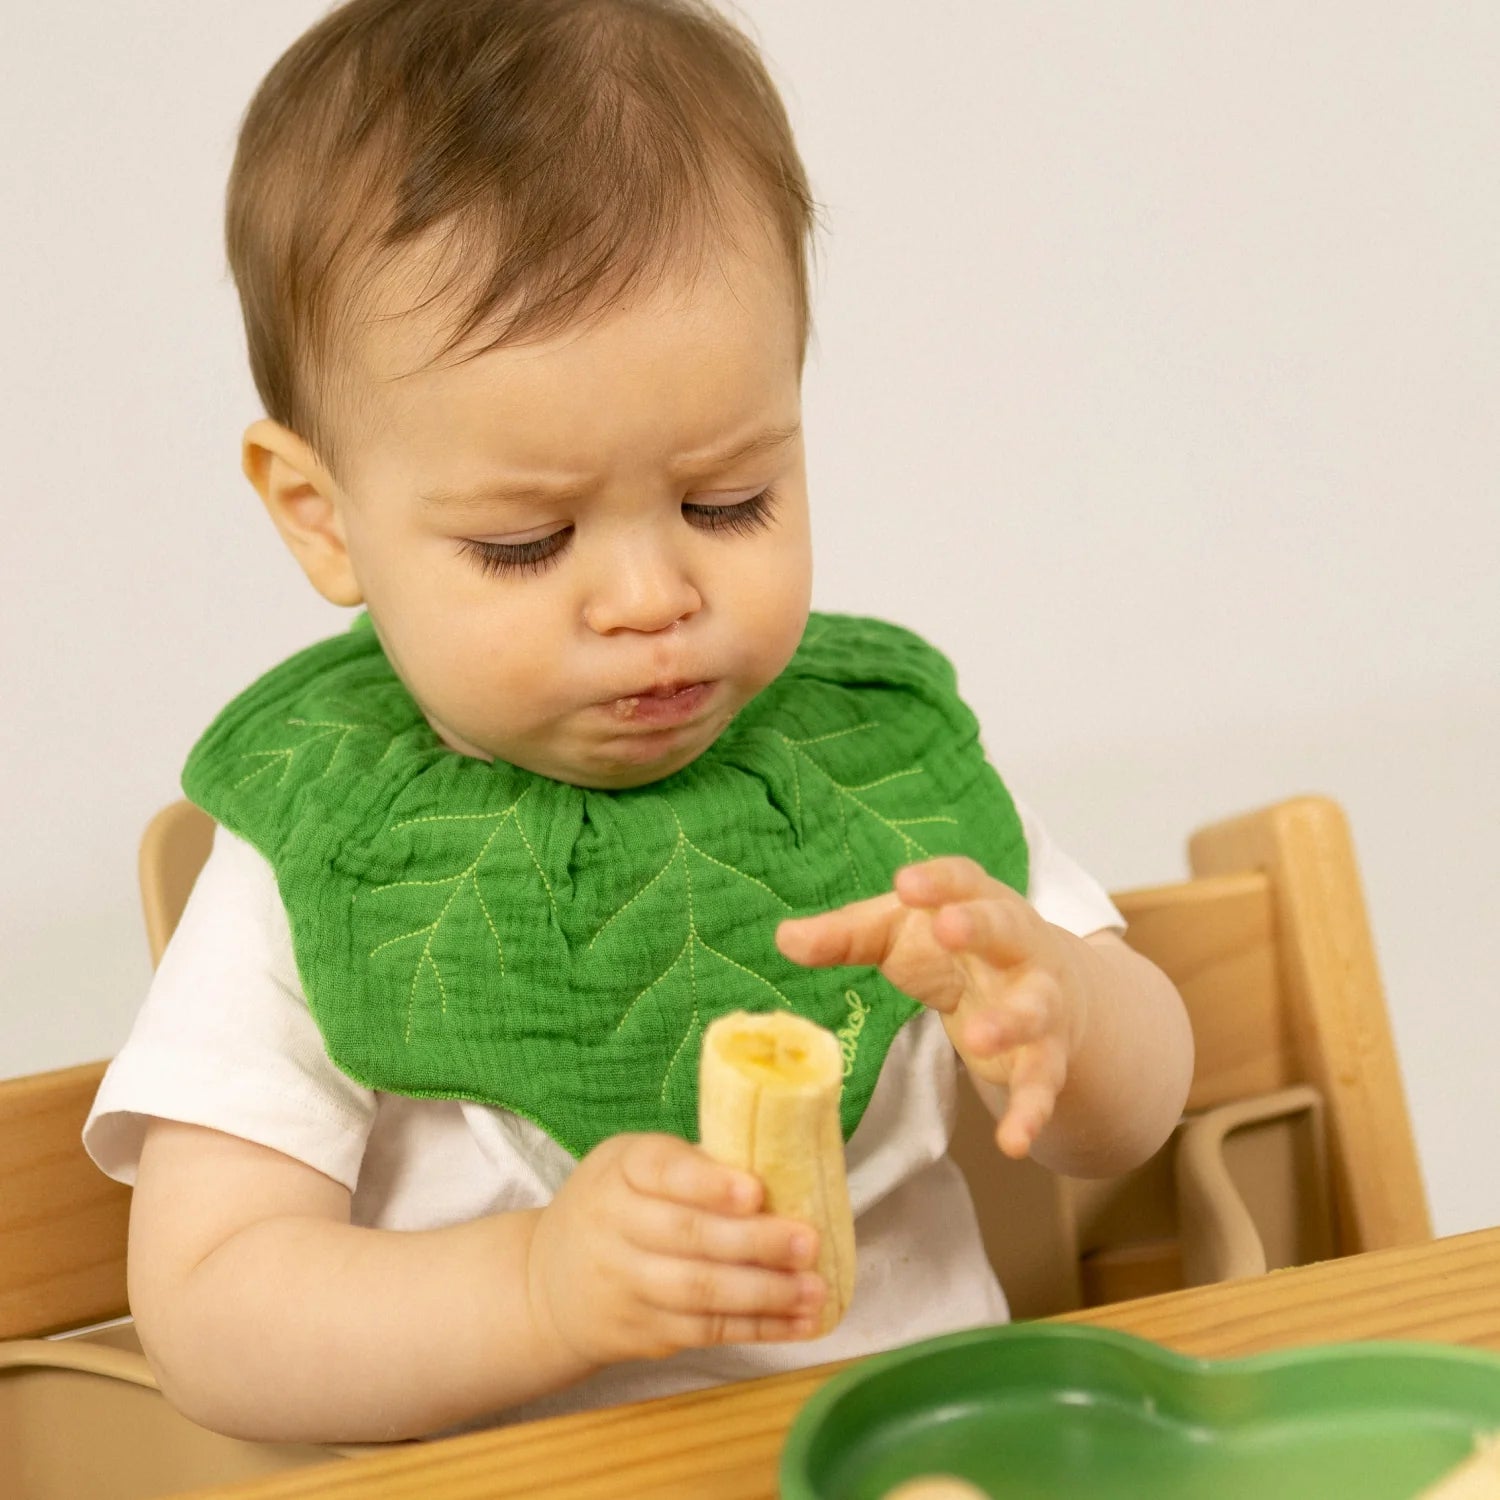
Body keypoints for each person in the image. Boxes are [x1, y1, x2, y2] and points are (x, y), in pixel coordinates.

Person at [83, 0, 1194, 1444]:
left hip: (922, 1453)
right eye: (527, 543)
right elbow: (213, 1313)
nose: (650, 596)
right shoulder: (327, 848)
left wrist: (1065, 1010)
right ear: (323, 515)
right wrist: (535, 1291)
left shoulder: (867, 762)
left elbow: (1133, 1112)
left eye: (727, 502)